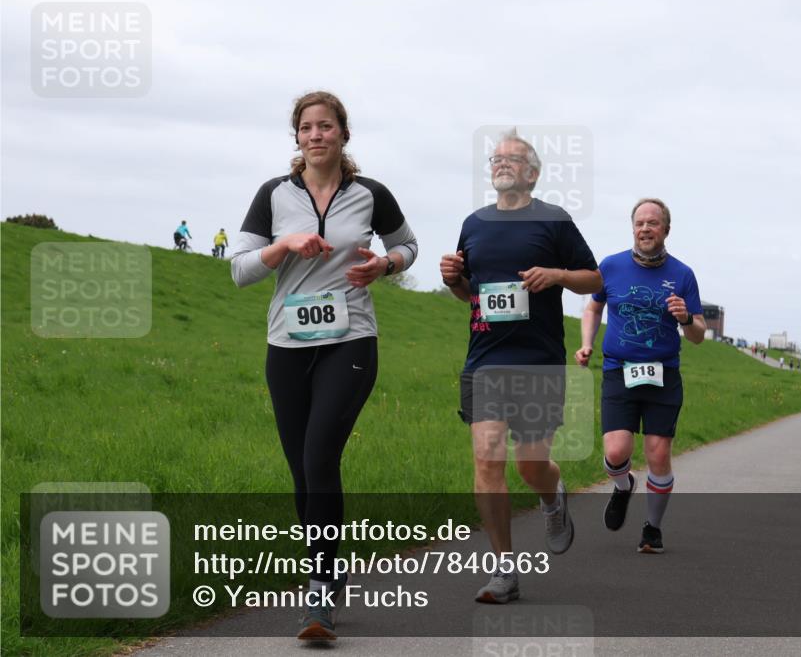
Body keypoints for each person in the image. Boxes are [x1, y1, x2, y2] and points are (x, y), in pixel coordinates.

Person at [230, 90, 418, 640]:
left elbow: (408, 245)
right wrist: (283, 244)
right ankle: (326, 570)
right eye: (307, 127)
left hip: (350, 340)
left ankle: (319, 596)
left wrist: (384, 264)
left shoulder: (370, 194)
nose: (316, 135)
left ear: (343, 134)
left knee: (319, 457)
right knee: (301, 469)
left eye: (326, 126)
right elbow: (240, 270)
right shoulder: (272, 195)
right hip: (287, 345)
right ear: (297, 138)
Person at [439, 129, 601, 604]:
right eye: (496, 158)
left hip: (539, 361)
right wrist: (454, 279)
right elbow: (472, 294)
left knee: (531, 466)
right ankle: (503, 571)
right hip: (486, 358)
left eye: (513, 159)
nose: (501, 163)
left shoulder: (554, 221)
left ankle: (553, 498)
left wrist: (558, 275)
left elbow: (593, 277)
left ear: (532, 173)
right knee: (487, 457)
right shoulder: (474, 223)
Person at [576, 198, 705, 554]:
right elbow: (594, 305)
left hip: (664, 374)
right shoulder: (611, 266)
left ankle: (652, 528)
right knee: (617, 451)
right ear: (632, 228)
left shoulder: (682, 274)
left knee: (658, 454)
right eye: (639, 223)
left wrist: (684, 319)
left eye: (653, 223)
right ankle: (622, 486)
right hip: (619, 369)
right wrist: (587, 343)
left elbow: (698, 335)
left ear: (666, 229)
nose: (645, 228)